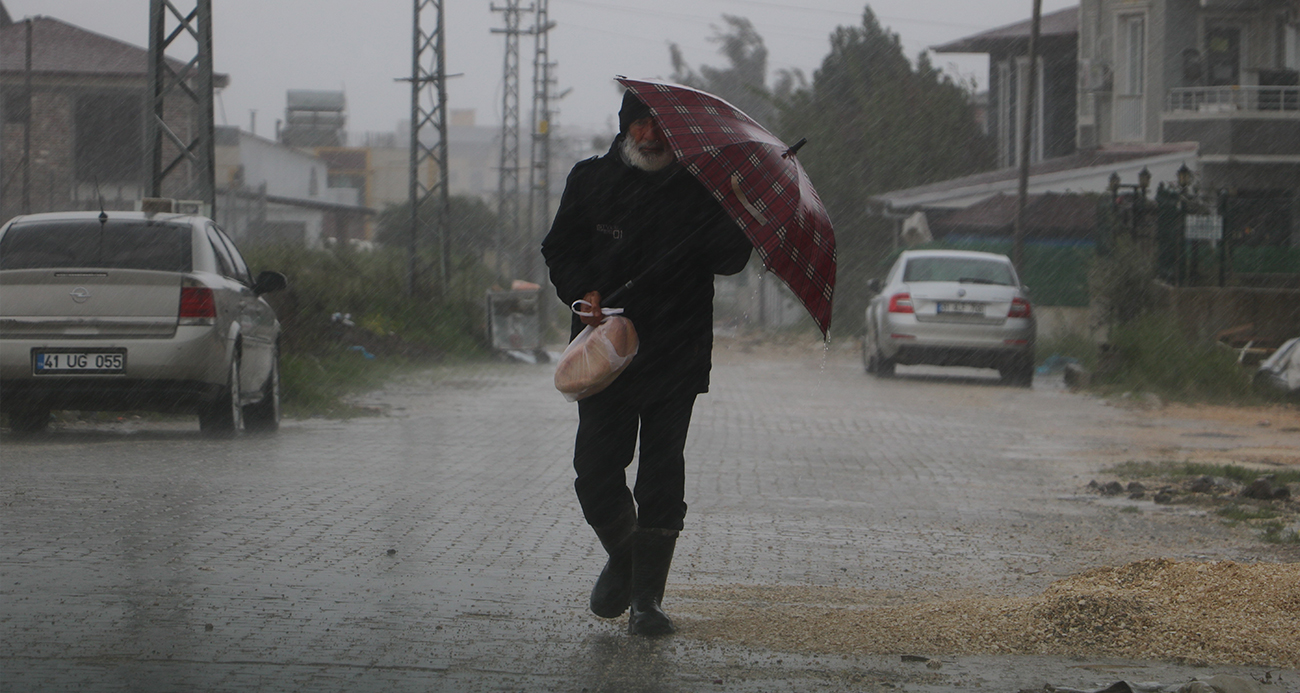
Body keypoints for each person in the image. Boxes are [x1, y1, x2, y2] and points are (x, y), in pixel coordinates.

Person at [541, 90, 752, 636]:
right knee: (595, 472)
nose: (651, 135)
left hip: (676, 352)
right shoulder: (590, 179)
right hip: (605, 351)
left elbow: (730, 260)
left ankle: (647, 603)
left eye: (659, 125)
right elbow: (558, 248)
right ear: (624, 127)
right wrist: (579, 290)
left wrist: (737, 205)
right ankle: (627, 557)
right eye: (640, 124)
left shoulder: (701, 187)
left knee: (661, 476)